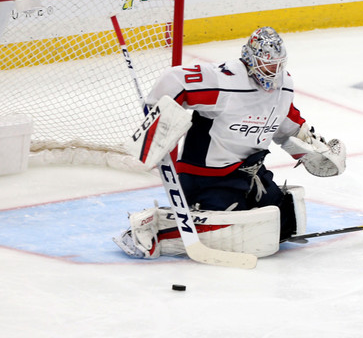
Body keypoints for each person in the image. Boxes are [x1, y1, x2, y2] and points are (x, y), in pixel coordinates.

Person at [114, 27, 346, 259]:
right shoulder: (225, 81)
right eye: (267, 64)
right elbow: (175, 79)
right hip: (205, 178)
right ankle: (148, 227)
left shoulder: (283, 85)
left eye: (277, 64)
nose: (273, 71)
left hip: (250, 175)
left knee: (285, 219)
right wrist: (158, 119)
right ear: (249, 58)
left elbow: (287, 122)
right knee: (235, 229)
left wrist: (311, 149)